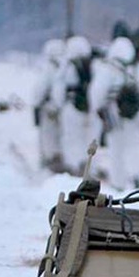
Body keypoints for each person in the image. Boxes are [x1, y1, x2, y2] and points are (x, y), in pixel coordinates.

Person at [89, 36, 139, 190]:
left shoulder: (106, 70)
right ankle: (137, 178)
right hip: (136, 118)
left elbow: (97, 94)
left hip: (114, 117)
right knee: (136, 148)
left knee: (116, 150)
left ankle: (118, 183)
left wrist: (99, 109)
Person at [53, 35, 96, 175]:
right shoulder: (94, 65)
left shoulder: (66, 66)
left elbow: (58, 90)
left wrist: (59, 105)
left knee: (71, 138)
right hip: (89, 109)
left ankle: (74, 166)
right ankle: (89, 167)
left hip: (71, 107)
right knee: (89, 139)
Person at [33, 38, 66, 172]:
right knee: (62, 136)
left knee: (49, 138)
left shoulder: (48, 68)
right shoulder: (66, 66)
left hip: (48, 109)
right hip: (64, 109)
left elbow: (39, 91)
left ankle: (51, 162)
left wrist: (36, 104)